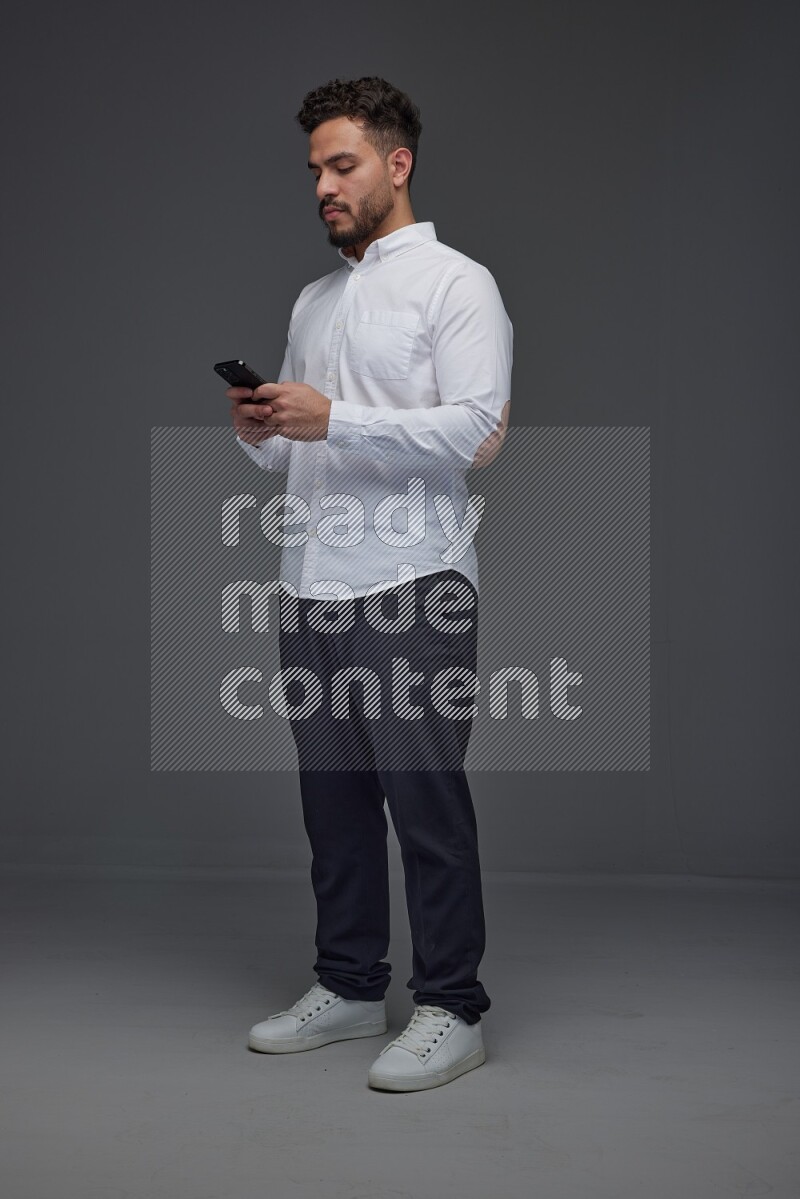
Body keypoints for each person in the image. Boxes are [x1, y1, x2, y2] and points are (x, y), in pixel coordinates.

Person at [226, 76, 513, 1092]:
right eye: (313, 169)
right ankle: (349, 984)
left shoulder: (455, 284)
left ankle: (451, 1006)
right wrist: (266, 430)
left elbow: (479, 431)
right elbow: (300, 454)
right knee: (333, 801)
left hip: (413, 583)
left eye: (340, 164)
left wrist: (334, 416)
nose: (322, 185)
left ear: (396, 164)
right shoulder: (315, 300)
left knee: (423, 800)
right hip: (312, 583)